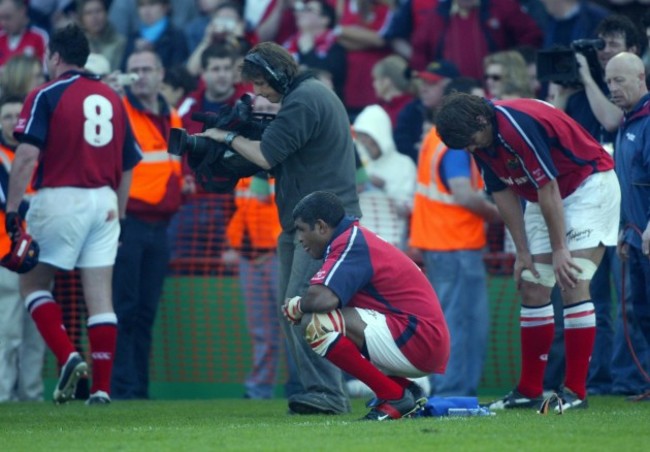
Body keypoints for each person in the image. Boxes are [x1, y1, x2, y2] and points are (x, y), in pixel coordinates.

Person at [196, 41, 361, 415]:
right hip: (307, 222)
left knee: (303, 305)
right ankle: (322, 391)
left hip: (322, 224)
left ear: (276, 75)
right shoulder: (309, 95)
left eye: (260, 84)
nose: (258, 94)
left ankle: (329, 395)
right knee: (294, 307)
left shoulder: (304, 99)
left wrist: (225, 138)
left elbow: (267, 154)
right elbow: (280, 162)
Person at [436, 92, 620, 411]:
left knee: (573, 281)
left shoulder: (515, 126)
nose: (471, 149)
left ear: (481, 121)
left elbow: (548, 186)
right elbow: (501, 192)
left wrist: (560, 248)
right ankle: (529, 390)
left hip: (587, 186)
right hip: (542, 195)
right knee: (533, 287)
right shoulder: (478, 137)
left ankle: (576, 391)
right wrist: (521, 252)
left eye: (471, 141)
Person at [4, 24, 141, 405]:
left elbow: (27, 154)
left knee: (32, 284)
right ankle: (101, 390)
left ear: (55, 57)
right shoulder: (112, 99)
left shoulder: (45, 94)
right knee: (100, 298)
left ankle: (68, 356)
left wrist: (13, 210)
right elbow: (130, 162)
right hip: (106, 202)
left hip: (61, 196)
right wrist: (123, 214)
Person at [281, 191, 450, 420]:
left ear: (321, 227)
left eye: (301, 229)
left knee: (316, 322)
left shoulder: (349, 243)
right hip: (422, 338)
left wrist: (298, 305)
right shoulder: (353, 238)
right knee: (323, 318)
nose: (299, 238)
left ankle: (394, 395)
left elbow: (322, 299)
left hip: (420, 339)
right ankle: (404, 389)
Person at [410, 84, 500, 397]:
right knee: (462, 322)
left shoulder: (434, 139)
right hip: (457, 244)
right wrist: (499, 214)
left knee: (449, 320)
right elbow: (463, 193)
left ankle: (448, 388)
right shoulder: (455, 144)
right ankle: (454, 390)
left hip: (439, 242)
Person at [111, 49, 182, 400]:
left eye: (146, 69)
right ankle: (122, 386)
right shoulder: (119, 110)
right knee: (124, 308)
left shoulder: (171, 114)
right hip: (130, 222)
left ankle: (137, 387)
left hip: (160, 226)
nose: (140, 75)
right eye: (133, 70)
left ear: (160, 73)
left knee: (145, 310)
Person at [605, 52, 650, 400]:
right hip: (634, 237)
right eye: (608, 82)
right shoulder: (627, 122)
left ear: (641, 77)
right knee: (642, 312)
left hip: (647, 234)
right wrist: (624, 228)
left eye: (619, 80)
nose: (613, 88)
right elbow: (626, 182)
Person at [0, 94, 45, 402]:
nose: (13, 120)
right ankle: (4, 393)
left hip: (38, 250)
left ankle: (32, 393)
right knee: (9, 329)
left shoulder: (37, 154)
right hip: (6, 254)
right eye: (6, 116)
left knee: (36, 329)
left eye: (18, 115)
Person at [77, 0, 126, 73]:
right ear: (81, 18)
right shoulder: (77, 44)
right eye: (88, 13)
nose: (94, 17)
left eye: (98, 11)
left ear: (106, 13)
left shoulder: (120, 42)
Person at [0, 0, 48, 69]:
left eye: (8, 17)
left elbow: (46, 71)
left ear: (22, 11)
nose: (3, 23)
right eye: (1, 18)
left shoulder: (39, 37)